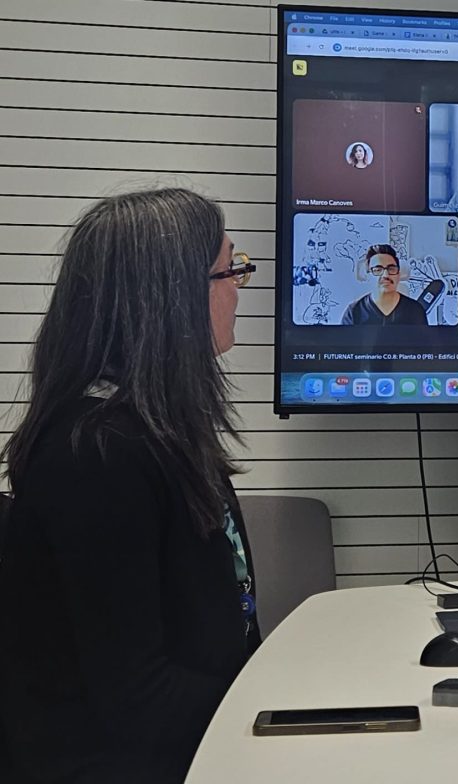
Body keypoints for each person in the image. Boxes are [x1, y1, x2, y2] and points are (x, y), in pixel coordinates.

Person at [0, 188, 261, 784]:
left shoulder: (160, 426)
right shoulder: (95, 454)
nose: (238, 288)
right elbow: (136, 698)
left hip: (195, 746)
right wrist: (272, 705)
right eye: (231, 271)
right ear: (171, 296)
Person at [340, 244, 427, 326]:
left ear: (398, 275)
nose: (385, 275)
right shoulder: (354, 312)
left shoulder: (415, 310)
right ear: (368, 276)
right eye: (378, 270)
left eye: (391, 269)